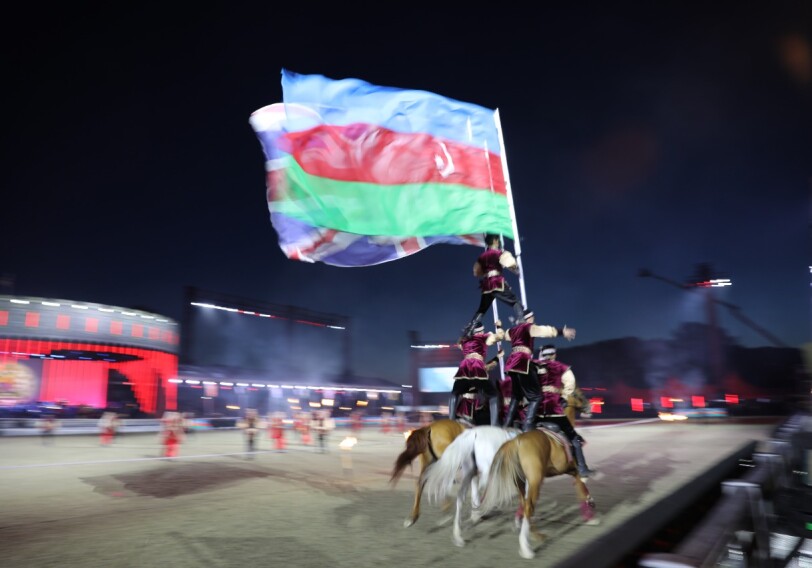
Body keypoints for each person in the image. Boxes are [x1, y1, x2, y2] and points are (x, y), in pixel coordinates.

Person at [502, 309, 576, 432]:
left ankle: (506, 425)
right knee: (536, 397)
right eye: (532, 318)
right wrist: (562, 332)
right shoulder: (529, 327)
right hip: (522, 363)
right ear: (529, 318)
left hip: (511, 365)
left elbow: (503, 336)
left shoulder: (512, 331)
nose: (533, 320)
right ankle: (527, 427)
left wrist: (502, 327)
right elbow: (545, 331)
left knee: (516, 396)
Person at [533, 344, 596, 479]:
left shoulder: (533, 366)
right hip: (554, 413)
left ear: (542, 354)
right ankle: (583, 469)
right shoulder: (562, 368)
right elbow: (570, 387)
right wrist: (560, 394)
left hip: (536, 413)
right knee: (574, 439)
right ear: (554, 355)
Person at [461, 234, 524, 337]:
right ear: (495, 241)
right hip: (497, 283)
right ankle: (522, 323)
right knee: (515, 301)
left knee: (482, 309)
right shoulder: (499, 253)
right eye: (498, 240)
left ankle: (470, 329)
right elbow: (511, 264)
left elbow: (476, 272)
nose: (499, 242)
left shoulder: (482, 256)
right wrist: (516, 270)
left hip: (486, 285)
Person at [449, 320, 505, 426]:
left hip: (464, 367)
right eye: (482, 331)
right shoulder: (484, 337)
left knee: (454, 393)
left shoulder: (464, 341)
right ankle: (494, 425)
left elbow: (459, 343)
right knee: (493, 395)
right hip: (476, 367)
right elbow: (500, 336)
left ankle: (450, 421)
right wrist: (498, 327)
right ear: (480, 331)